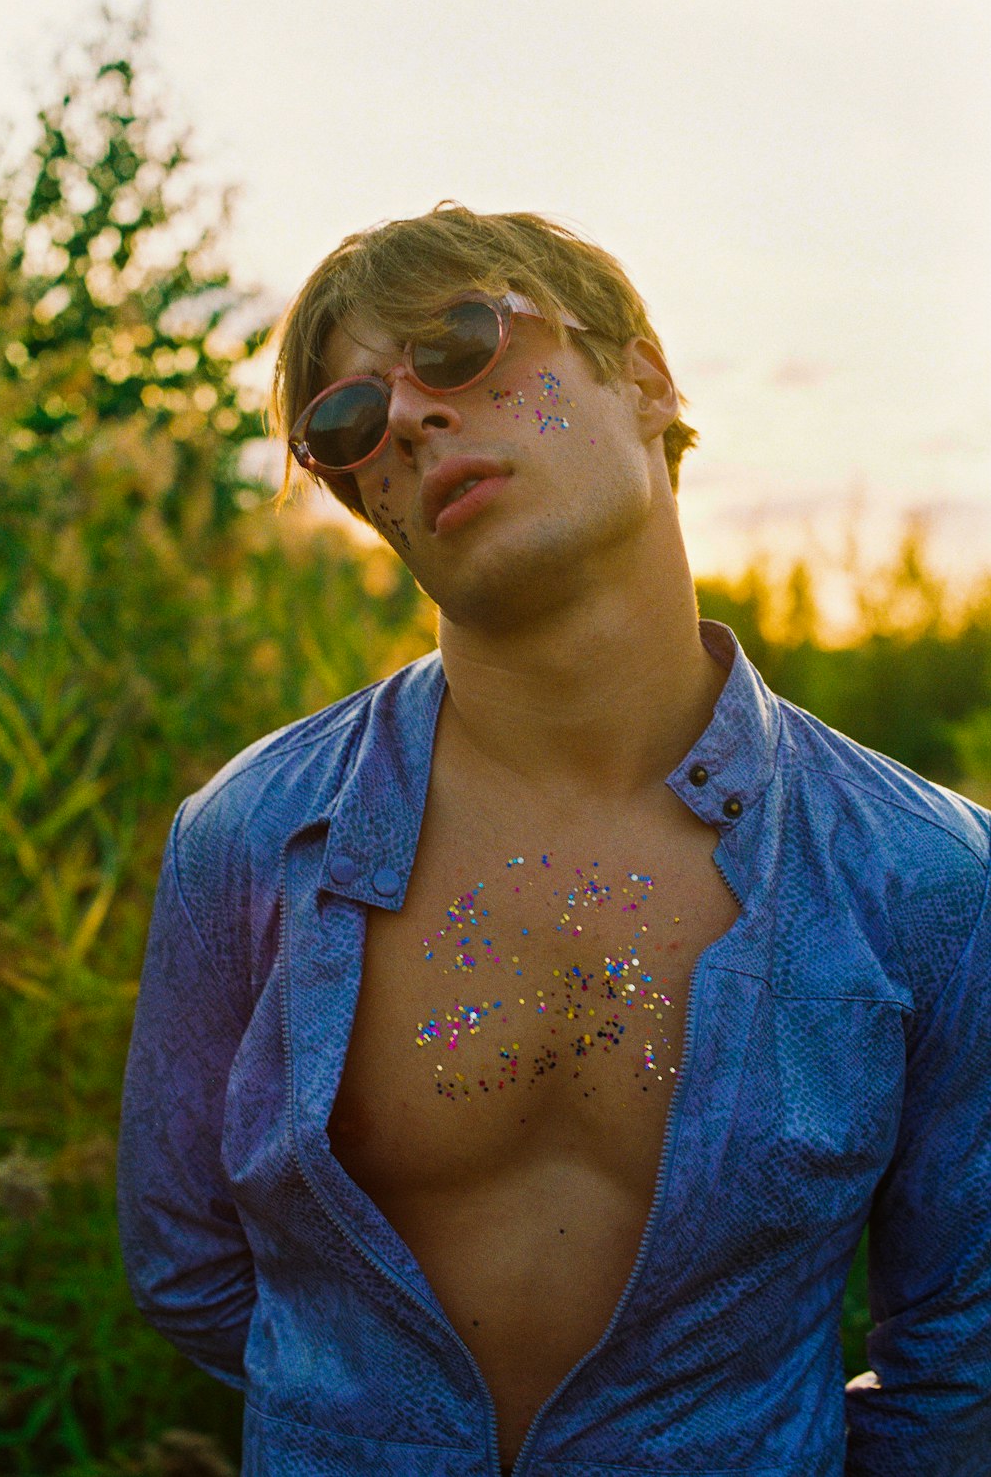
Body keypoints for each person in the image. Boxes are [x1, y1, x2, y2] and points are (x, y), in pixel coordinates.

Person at [117, 202, 991, 1476]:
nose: (409, 417)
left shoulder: (924, 878)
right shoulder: (250, 840)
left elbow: (963, 1343)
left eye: (462, 343)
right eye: (348, 424)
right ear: (370, 504)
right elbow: (184, 1263)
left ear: (642, 376)